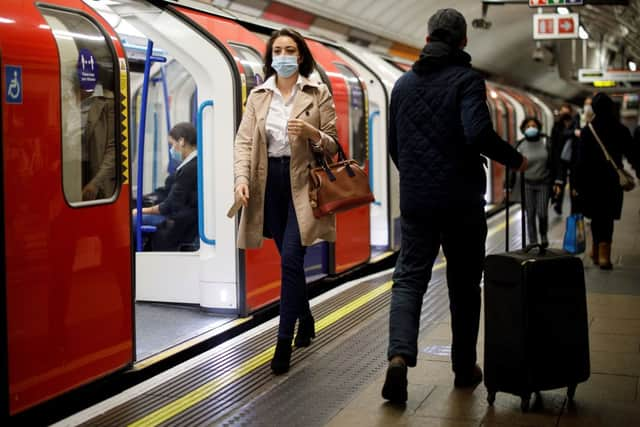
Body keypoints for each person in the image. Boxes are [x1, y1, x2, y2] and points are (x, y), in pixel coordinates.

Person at [382, 8, 527, 403]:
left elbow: (395, 147)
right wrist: (513, 158)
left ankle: (397, 359)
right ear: (463, 42)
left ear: (427, 38)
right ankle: (464, 367)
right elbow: (477, 131)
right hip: (461, 200)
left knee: (409, 279)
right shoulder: (467, 80)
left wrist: (416, 176)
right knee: (464, 286)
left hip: (417, 200)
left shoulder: (403, 86)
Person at [232, 28, 338, 375]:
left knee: (292, 257)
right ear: (270, 56)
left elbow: (334, 146)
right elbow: (245, 143)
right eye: (277, 50)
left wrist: (313, 134)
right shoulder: (258, 96)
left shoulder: (318, 92)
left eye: (290, 49)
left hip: (303, 184)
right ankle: (306, 319)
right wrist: (242, 180)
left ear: (301, 55)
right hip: (269, 184)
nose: (283, 55)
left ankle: (282, 343)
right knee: (288, 259)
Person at [573, 93, 639, 269]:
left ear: (594, 109)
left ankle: (595, 251)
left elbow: (580, 161)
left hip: (591, 182)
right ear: (611, 108)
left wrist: (576, 184)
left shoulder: (588, 130)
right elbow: (632, 154)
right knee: (607, 218)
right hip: (612, 182)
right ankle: (604, 255)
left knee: (595, 217)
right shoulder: (621, 129)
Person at [132, 122, 198, 251]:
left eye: (172, 144)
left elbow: (169, 206)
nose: (171, 149)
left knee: (133, 222)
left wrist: (140, 211)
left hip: (181, 222)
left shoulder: (189, 169)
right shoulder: (191, 164)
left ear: (182, 141)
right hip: (185, 217)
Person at [511, 117, 553, 247]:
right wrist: (508, 185)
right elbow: (513, 166)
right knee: (529, 214)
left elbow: (554, 162)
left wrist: (558, 181)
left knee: (542, 212)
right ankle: (533, 242)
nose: (531, 128)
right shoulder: (519, 145)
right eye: (528, 126)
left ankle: (544, 234)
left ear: (538, 128)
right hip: (527, 184)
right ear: (523, 129)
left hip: (543, 182)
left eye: (533, 126)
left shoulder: (546, 141)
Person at [81, 69, 117, 201]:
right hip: (70, 166)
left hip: (93, 170)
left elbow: (113, 148)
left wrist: (96, 182)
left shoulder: (107, 102)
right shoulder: (67, 97)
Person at [550, 103, 578, 215]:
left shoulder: (576, 123)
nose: (564, 114)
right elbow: (556, 139)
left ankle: (574, 209)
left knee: (574, 184)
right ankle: (558, 205)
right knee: (560, 182)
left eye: (566, 111)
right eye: (563, 111)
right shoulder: (557, 125)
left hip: (574, 158)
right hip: (560, 159)